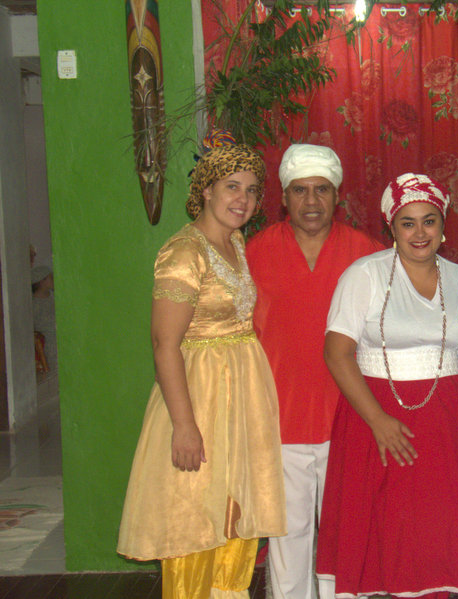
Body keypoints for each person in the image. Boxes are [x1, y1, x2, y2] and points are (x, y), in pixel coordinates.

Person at [317, 173, 458, 598]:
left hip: (448, 425)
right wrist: (378, 421)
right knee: (389, 539)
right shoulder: (364, 275)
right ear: (391, 227)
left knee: (439, 539)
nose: (420, 233)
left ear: (443, 226)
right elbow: (336, 353)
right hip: (379, 421)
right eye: (408, 223)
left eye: (429, 221)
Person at [118, 138, 286, 599]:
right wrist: (185, 426)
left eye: (252, 190)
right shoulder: (184, 252)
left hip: (241, 398)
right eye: (232, 186)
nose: (243, 199)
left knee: (233, 516)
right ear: (206, 189)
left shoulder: (235, 242)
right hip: (200, 397)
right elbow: (164, 344)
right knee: (192, 517)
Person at [246, 144, 383, 599]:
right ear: (283, 197)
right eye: (300, 190)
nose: (311, 201)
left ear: (337, 195)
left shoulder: (368, 255)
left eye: (321, 190)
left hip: (350, 421)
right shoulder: (253, 254)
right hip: (279, 422)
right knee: (288, 542)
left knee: (347, 543)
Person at [32, 265, 57, 373]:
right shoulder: (34, 304)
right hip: (50, 343)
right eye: (51, 278)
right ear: (42, 281)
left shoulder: (54, 298)